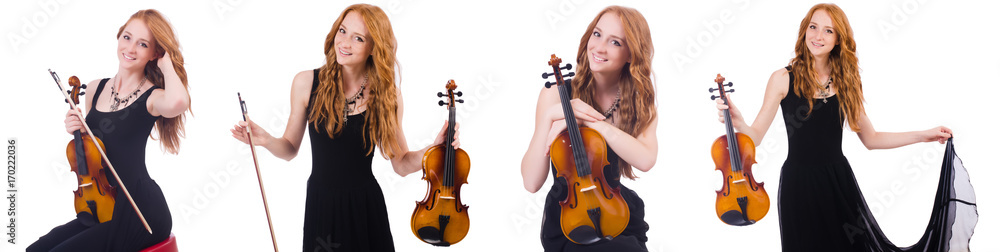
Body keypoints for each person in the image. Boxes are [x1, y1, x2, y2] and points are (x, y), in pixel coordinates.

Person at [714, 3, 974, 251]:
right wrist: (738, 121)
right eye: (813, 27)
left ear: (838, 39)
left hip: (838, 184)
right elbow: (755, 137)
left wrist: (924, 135)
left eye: (829, 31)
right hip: (798, 186)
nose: (818, 36)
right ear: (805, 29)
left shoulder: (846, 81)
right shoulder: (782, 78)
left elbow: (871, 139)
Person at [230, 4, 459, 251]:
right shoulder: (305, 83)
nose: (345, 43)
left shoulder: (386, 95)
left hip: (364, 209)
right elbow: (289, 149)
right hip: (321, 206)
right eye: (342, 31)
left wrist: (433, 149)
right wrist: (265, 139)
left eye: (358, 38)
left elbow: (401, 164)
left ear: (373, 48)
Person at [28, 9, 189, 252]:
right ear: (119, 37)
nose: (131, 48)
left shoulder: (153, 97)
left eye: (143, 44)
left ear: (154, 53)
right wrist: (78, 132)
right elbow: (96, 157)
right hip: (104, 206)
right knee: (37, 250)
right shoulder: (94, 89)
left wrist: (167, 63)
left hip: (140, 211)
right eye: (127, 37)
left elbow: (179, 103)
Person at [520, 5, 657, 251]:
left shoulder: (640, 101)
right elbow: (531, 182)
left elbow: (646, 160)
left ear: (630, 54)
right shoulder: (555, 94)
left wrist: (591, 122)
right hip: (569, 218)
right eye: (597, 34)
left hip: (617, 211)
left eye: (615, 42)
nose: (600, 47)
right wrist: (550, 117)